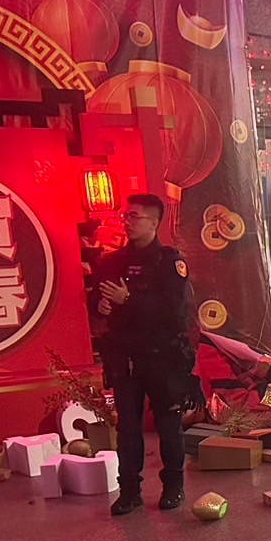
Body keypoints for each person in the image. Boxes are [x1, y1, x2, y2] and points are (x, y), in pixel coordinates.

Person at [90, 194, 200, 516]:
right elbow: (94, 298)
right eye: (126, 216)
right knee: (127, 426)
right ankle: (129, 490)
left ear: (153, 222)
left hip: (162, 356)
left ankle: (174, 486)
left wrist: (129, 300)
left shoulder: (169, 264)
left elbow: (174, 312)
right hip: (125, 357)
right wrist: (101, 305)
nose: (128, 222)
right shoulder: (110, 262)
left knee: (168, 424)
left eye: (135, 217)